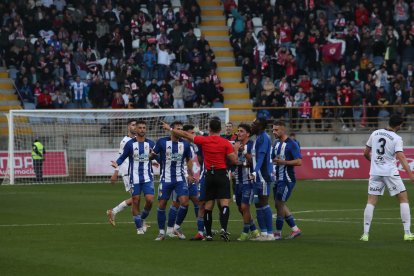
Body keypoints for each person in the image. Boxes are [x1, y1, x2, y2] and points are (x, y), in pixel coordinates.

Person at [161, 117, 238, 241]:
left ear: (209, 129)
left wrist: (170, 129)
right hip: (221, 174)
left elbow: (186, 134)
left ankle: (207, 234)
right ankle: (223, 229)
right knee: (224, 204)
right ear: (220, 129)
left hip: (208, 175)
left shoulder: (204, 140)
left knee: (207, 206)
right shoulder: (225, 143)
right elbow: (234, 160)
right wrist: (236, 149)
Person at [361, 114, 414, 241]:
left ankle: (365, 234)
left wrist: (373, 162)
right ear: (399, 125)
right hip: (390, 173)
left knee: (371, 201)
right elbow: (401, 157)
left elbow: (365, 153)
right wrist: (410, 174)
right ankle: (407, 233)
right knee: (403, 199)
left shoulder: (375, 133)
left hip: (375, 172)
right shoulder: (396, 138)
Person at [111, 120, 156, 234]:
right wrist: (117, 164)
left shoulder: (150, 143)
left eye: (143, 128)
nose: (142, 130)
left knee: (150, 200)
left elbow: (156, 156)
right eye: (139, 128)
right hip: (134, 176)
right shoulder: (130, 144)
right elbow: (123, 156)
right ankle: (139, 228)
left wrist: (156, 159)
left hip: (147, 176)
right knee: (136, 200)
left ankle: (142, 219)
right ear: (136, 130)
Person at [152, 121, 194, 241]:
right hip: (166, 179)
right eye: (178, 129)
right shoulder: (162, 141)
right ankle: (161, 233)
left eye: (182, 129)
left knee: (185, 203)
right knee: (162, 204)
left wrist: (190, 175)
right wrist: (151, 157)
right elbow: (154, 154)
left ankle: (177, 227)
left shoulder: (185, 144)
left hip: (180, 179)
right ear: (172, 129)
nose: (181, 131)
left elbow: (189, 160)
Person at [271, 121, 303, 240]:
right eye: (273, 130)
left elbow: (299, 161)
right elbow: (273, 159)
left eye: (276, 130)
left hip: (287, 179)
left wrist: (283, 162)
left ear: (283, 130)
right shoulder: (276, 143)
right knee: (278, 204)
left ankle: (278, 232)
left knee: (279, 204)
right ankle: (295, 230)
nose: (274, 132)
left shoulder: (292, 144)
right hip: (278, 179)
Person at [106, 119, 135, 227]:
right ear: (128, 127)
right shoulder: (125, 141)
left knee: (136, 198)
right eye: (133, 125)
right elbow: (120, 158)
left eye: (136, 125)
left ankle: (140, 222)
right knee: (136, 198)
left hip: (135, 172)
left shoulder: (137, 140)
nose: (135, 127)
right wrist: (115, 172)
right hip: (128, 172)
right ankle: (113, 211)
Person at [233, 123, 260, 241]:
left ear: (248, 134)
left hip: (248, 181)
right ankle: (254, 229)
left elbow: (255, 162)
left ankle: (245, 233)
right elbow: (233, 161)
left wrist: (243, 152)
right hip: (237, 181)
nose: (238, 133)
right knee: (240, 208)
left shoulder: (252, 145)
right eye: (238, 131)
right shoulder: (236, 145)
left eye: (241, 131)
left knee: (245, 206)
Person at [250, 118, 274, 241]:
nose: (252, 125)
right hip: (257, 175)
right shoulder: (258, 138)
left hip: (263, 175)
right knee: (258, 204)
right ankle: (263, 233)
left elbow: (261, 157)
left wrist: (255, 171)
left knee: (264, 203)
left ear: (260, 126)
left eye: (254, 124)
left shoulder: (264, 138)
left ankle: (270, 234)